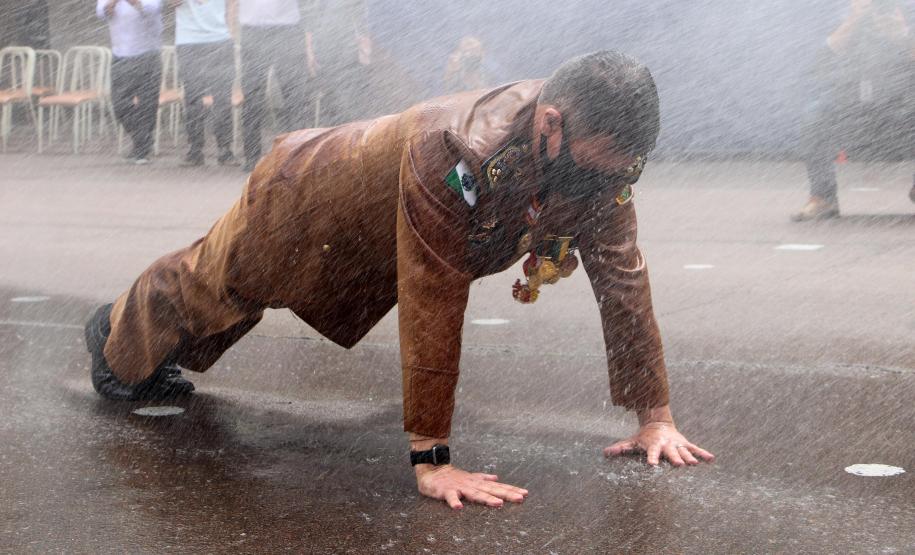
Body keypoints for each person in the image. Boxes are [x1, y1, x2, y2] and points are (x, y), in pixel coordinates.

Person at [84, 50, 715, 509]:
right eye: (599, 161)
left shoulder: (596, 164)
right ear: (552, 123)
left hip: (380, 227)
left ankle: (139, 346)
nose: (610, 178)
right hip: (307, 197)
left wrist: (654, 417)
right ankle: (112, 333)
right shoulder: (459, 148)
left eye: (623, 166)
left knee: (239, 303)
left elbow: (623, 279)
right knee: (224, 284)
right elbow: (435, 296)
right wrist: (432, 458)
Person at [792, 0, 911, 221]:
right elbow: (817, 64)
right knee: (814, 115)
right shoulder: (840, 18)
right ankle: (823, 198)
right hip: (853, 120)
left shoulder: (906, 15)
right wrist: (853, 21)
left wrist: (904, 38)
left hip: (903, 119)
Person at [236, 0, 310, 172]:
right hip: (253, 32)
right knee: (253, 98)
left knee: (294, 97)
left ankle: (297, 156)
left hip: (287, 30)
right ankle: (252, 157)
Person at [170, 0, 238, 167]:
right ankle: (195, 149)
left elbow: (232, 4)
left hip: (220, 40)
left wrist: (231, 34)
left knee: (222, 98)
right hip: (189, 41)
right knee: (193, 99)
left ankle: (225, 149)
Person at [97, 0, 163, 165]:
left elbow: (152, 9)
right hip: (121, 55)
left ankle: (141, 149)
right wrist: (110, 5)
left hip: (148, 54)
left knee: (147, 104)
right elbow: (101, 12)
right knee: (119, 103)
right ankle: (142, 139)